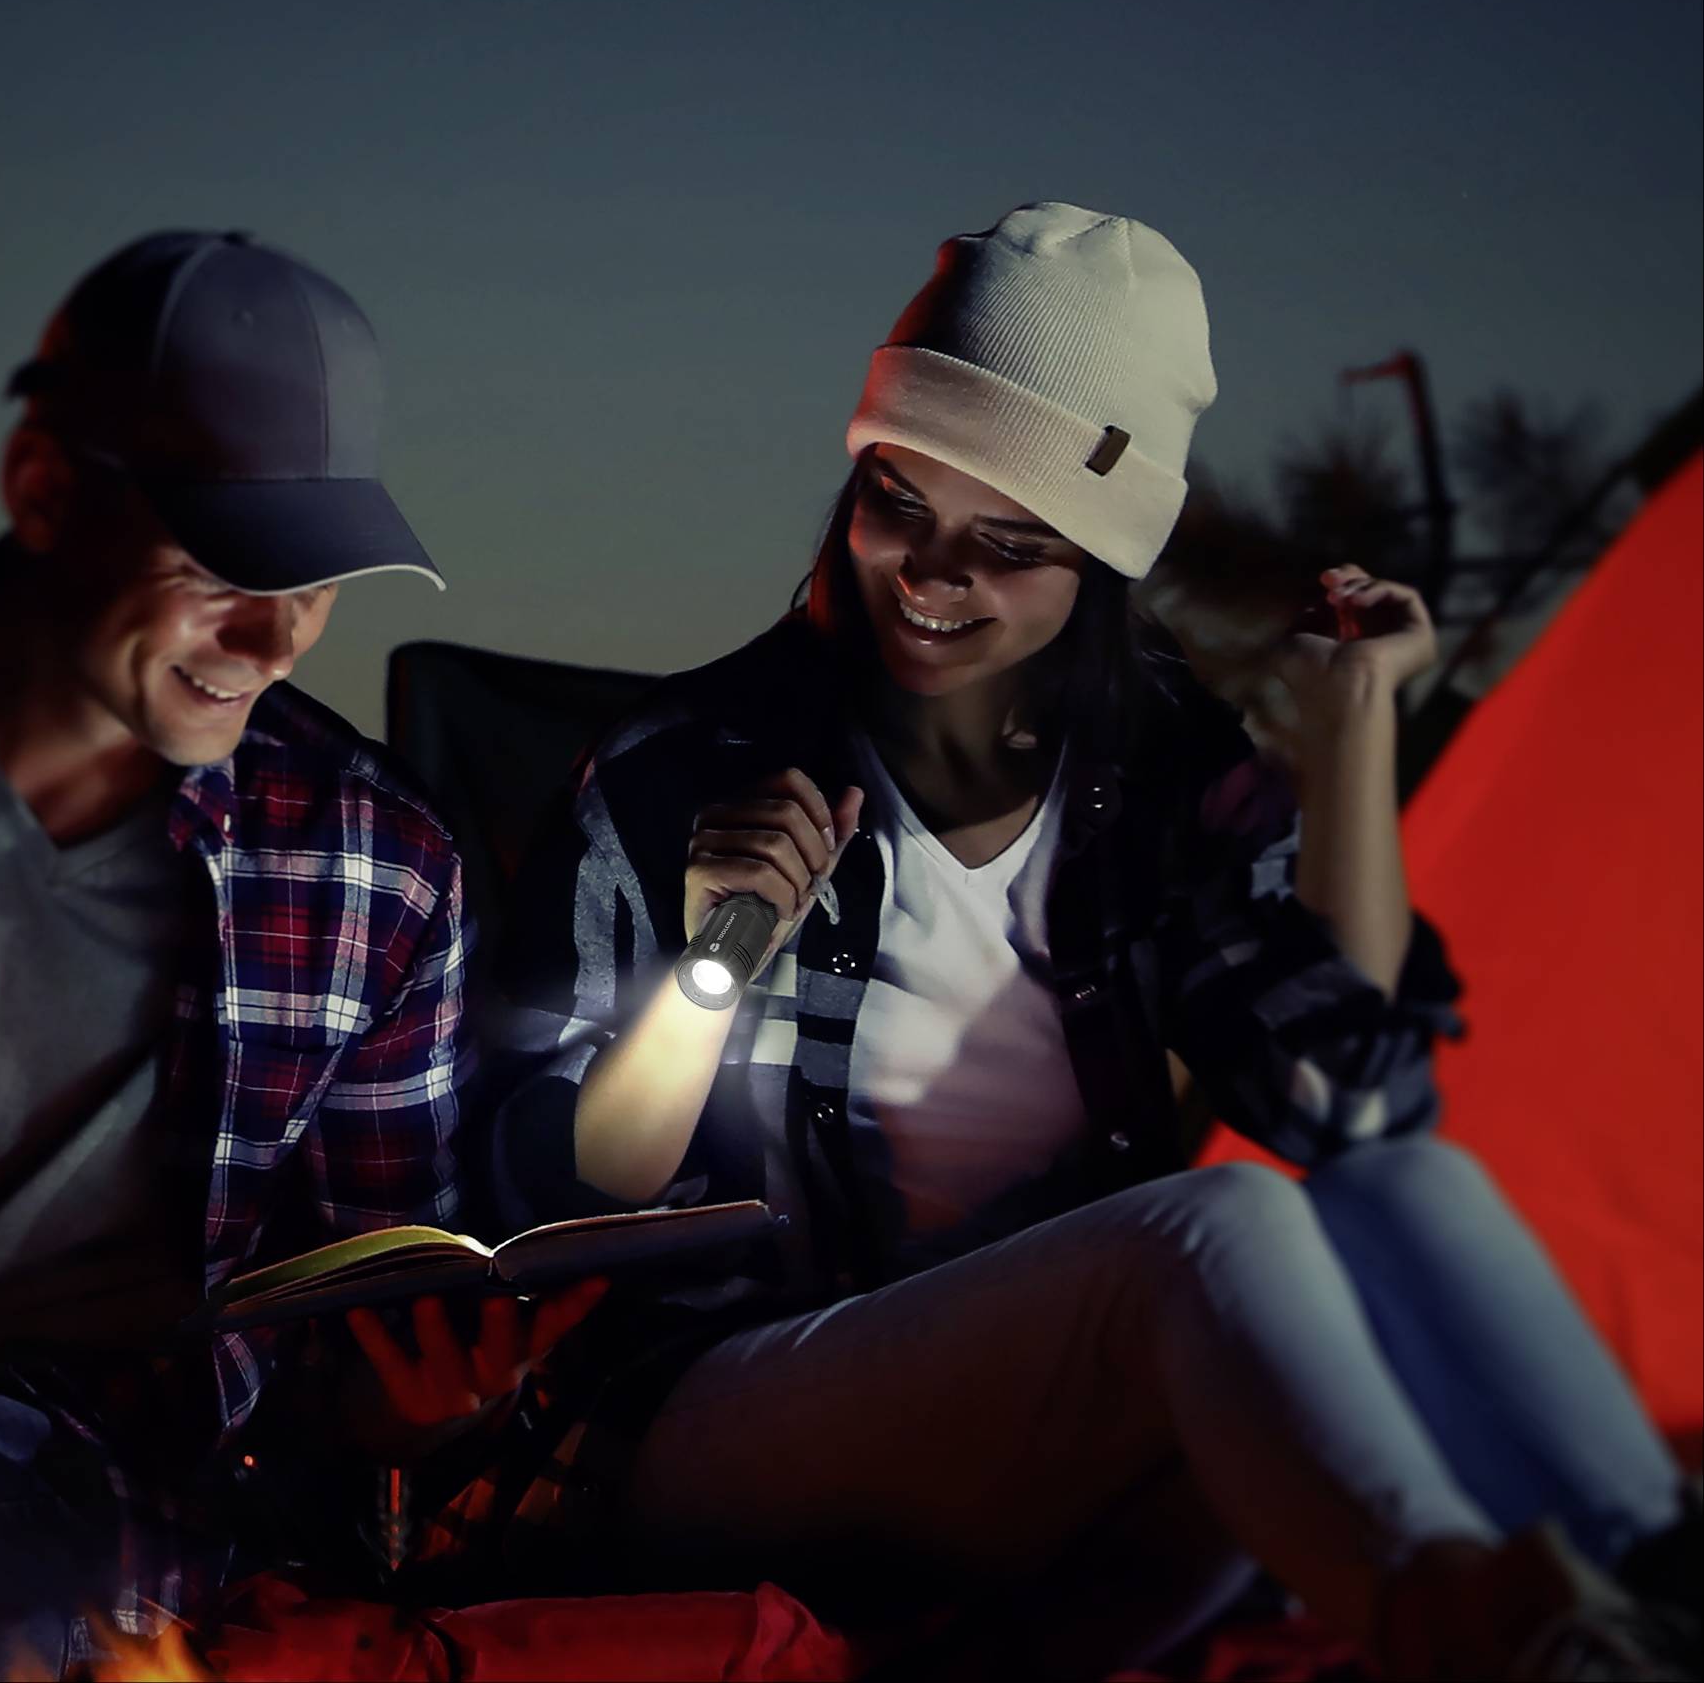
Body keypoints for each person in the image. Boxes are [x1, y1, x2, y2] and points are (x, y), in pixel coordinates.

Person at [484, 204, 1696, 1681]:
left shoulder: (1148, 770)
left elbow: (1345, 1090)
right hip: (722, 1421)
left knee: (1402, 1180)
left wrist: (1354, 731)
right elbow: (555, 1191)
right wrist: (701, 973)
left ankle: (1657, 1583)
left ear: (1098, 570)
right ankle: (1505, 1642)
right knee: (1224, 1225)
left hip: (1049, 1447)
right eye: (897, 503)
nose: (934, 578)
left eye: (1011, 546)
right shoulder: (693, 764)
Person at [0, 231, 595, 1683]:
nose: (271, 636)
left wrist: (416, 1402)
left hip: (51, 1465)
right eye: (217, 567)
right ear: (44, 492)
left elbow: (360, 1307)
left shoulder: (373, 867)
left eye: (316, 582)